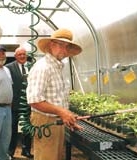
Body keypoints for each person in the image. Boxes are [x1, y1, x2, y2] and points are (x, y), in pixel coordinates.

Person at [26, 28, 83, 160]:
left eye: (67, 46)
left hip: (56, 121)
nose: (64, 50)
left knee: (55, 156)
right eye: (61, 45)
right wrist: (62, 112)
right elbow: (34, 100)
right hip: (45, 121)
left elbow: (56, 98)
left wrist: (66, 117)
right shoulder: (43, 67)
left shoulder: (57, 67)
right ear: (51, 45)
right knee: (46, 156)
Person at [5, 47, 34, 159]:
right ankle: (10, 152)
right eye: (19, 54)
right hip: (14, 103)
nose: (22, 56)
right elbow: (7, 85)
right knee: (12, 128)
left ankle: (26, 150)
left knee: (27, 128)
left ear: (26, 55)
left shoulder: (32, 66)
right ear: (15, 56)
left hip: (29, 103)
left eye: (24, 54)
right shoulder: (9, 67)